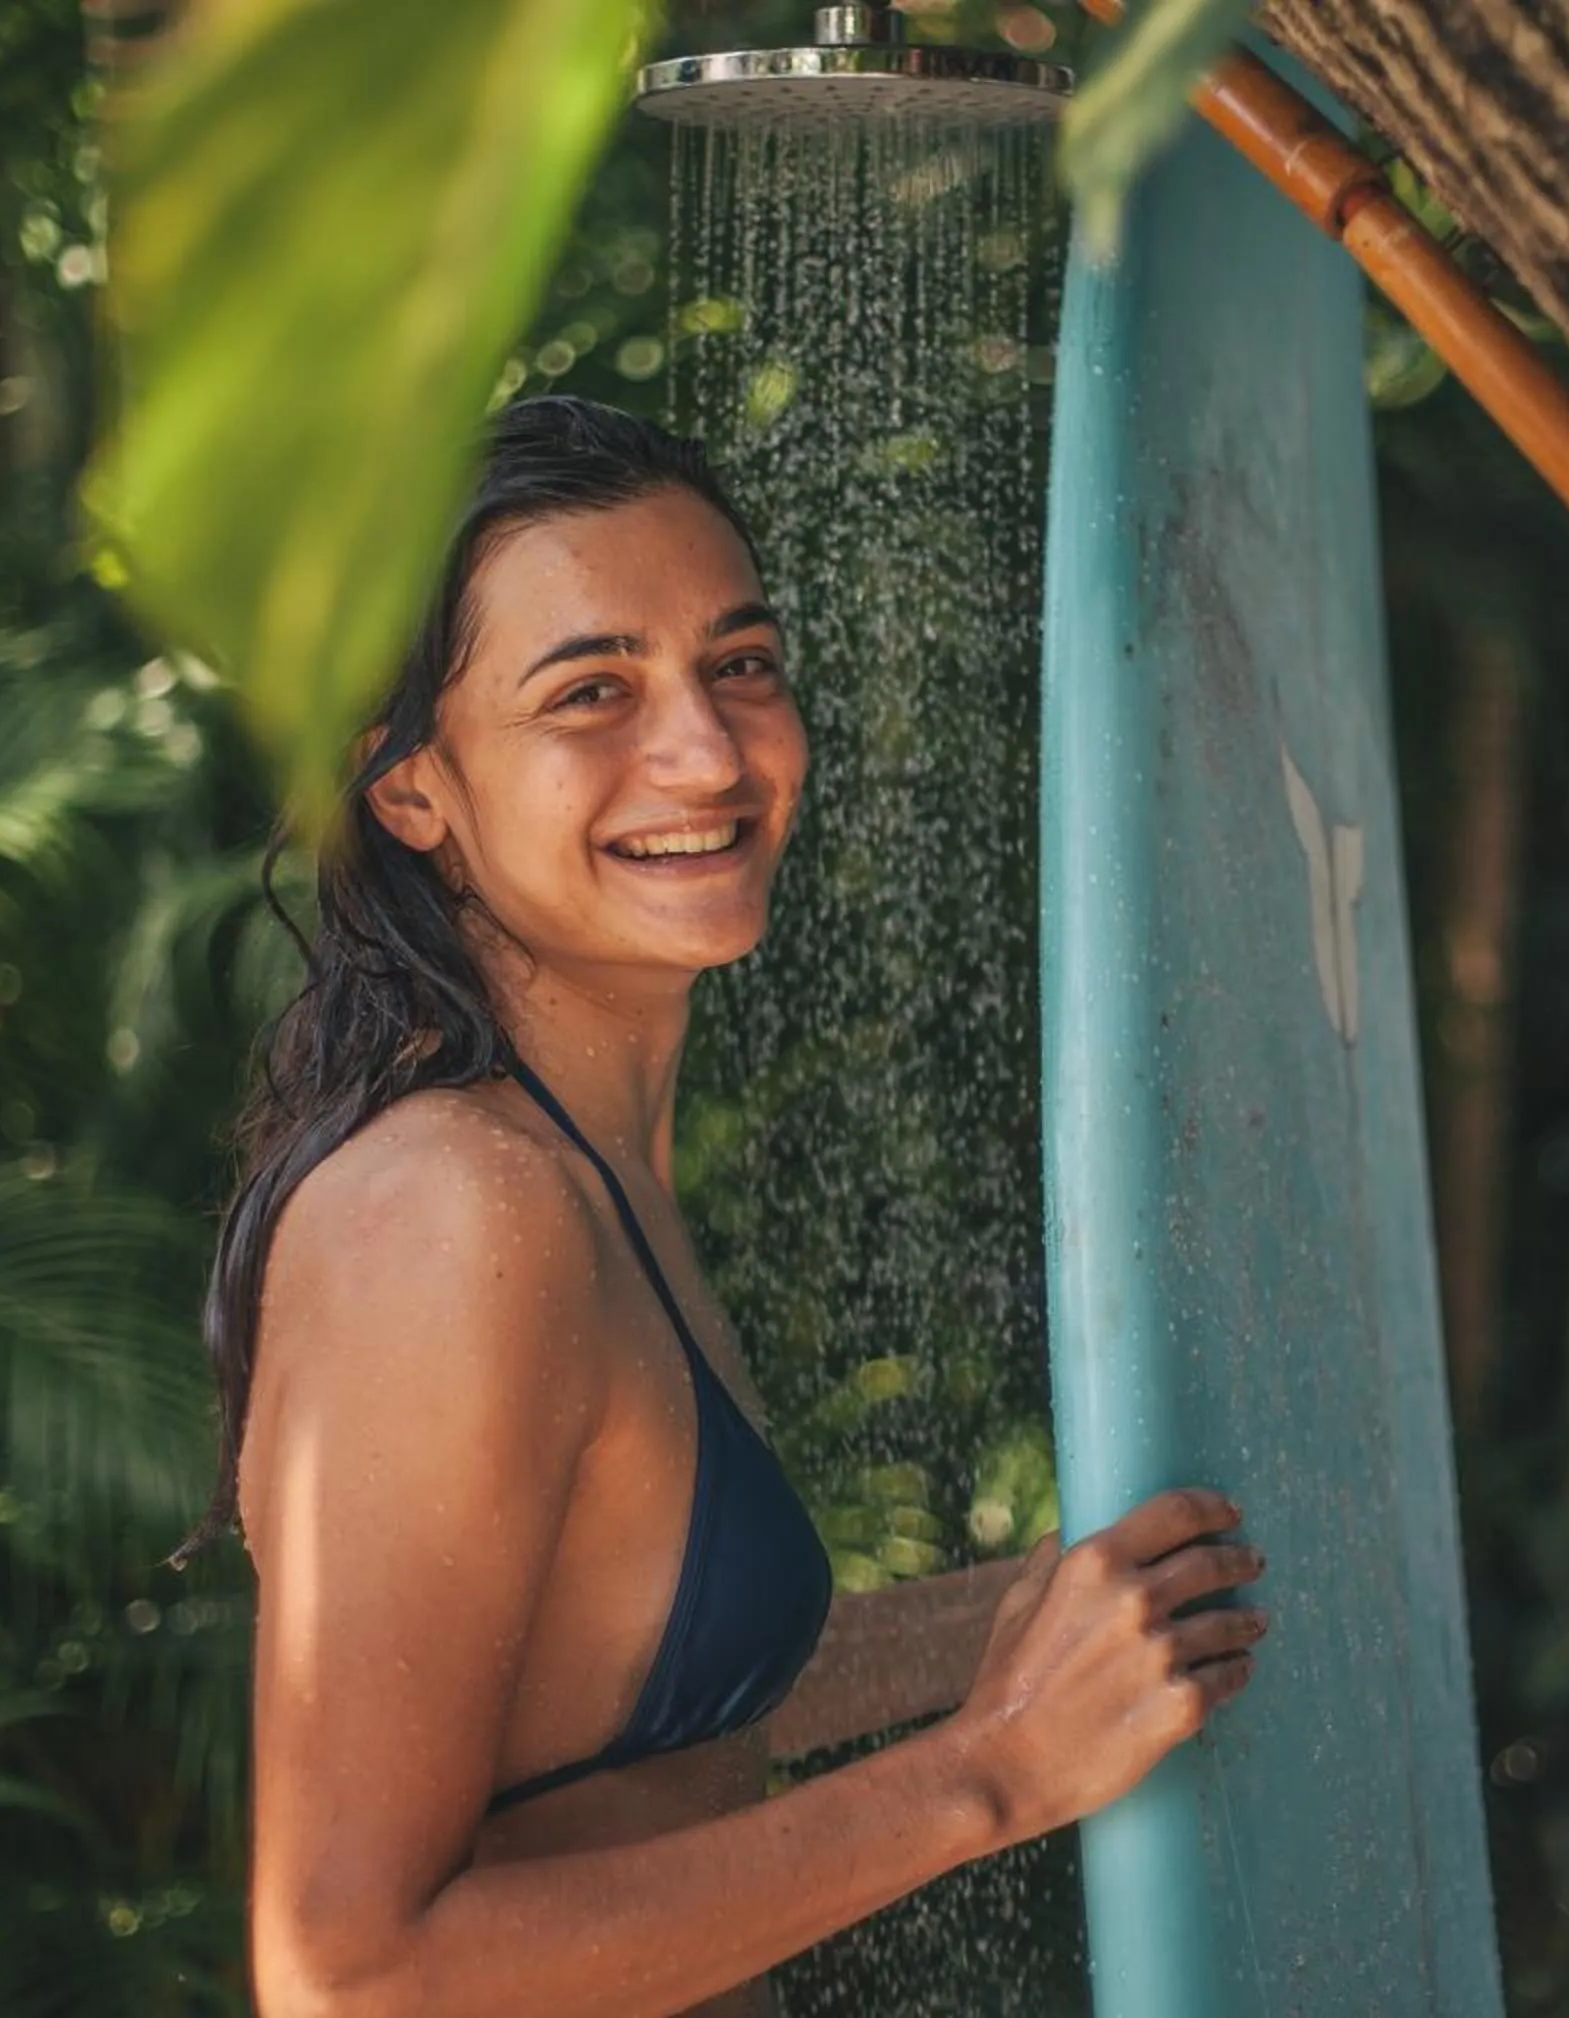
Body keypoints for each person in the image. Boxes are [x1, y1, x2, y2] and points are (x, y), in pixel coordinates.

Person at [183, 396, 1267, 2018]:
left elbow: (617, 1695)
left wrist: (1023, 1615)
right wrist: (993, 1769)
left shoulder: (573, 1164)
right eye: (592, 691)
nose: (706, 751)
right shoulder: (453, 1211)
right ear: (408, 787)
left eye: (740, 663)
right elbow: (351, 1975)